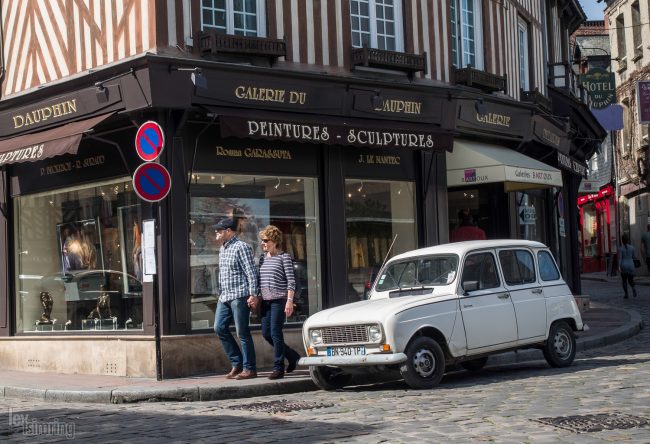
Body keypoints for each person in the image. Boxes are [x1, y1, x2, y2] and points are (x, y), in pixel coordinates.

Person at [213, 218, 259, 380]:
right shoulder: (223, 249)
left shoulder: (242, 247)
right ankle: (237, 363)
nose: (216, 232)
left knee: (242, 332)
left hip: (240, 295)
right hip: (224, 296)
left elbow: (251, 272)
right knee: (219, 328)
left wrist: (253, 294)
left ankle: (250, 368)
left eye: (219, 230)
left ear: (229, 231)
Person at [257, 225, 302, 380]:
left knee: (275, 332)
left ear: (274, 241)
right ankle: (292, 355)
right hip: (266, 302)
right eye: (262, 241)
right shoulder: (262, 259)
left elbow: (291, 282)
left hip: (279, 300)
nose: (262, 243)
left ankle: (278, 368)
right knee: (266, 333)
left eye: (265, 240)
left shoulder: (284, 258)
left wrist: (289, 302)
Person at [618, 234, 638, 299]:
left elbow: (620, 258)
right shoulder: (632, 248)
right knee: (630, 280)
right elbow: (634, 257)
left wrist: (619, 266)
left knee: (624, 281)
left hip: (624, 265)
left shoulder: (620, 248)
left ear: (622, 240)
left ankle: (626, 294)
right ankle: (633, 287)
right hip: (631, 265)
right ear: (628, 240)